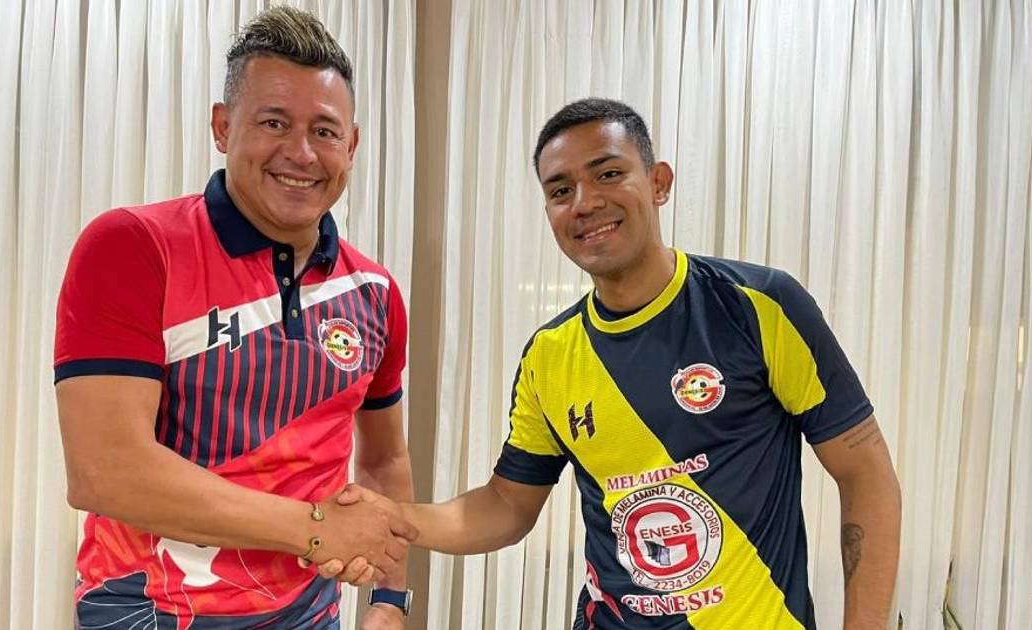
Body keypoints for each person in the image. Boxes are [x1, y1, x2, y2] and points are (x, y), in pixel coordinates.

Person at [327, 98, 902, 629]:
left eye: (607, 174)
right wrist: (394, 517)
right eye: (561, 190)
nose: (585, 202)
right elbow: (506, 505)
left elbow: (865, 471)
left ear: (659, 182)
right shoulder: (551, 354)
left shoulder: (759, 305)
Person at [54, 7, 417, 629]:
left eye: (325, 131)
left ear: (351, 146)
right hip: (151, 613)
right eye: (274, 122)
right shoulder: (132, 246)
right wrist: (316, 529)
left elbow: (384, 463)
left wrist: (389, 601)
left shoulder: (375, 291)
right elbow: (105, 472)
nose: (301, 153)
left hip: (311, 617)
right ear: (223, 127)